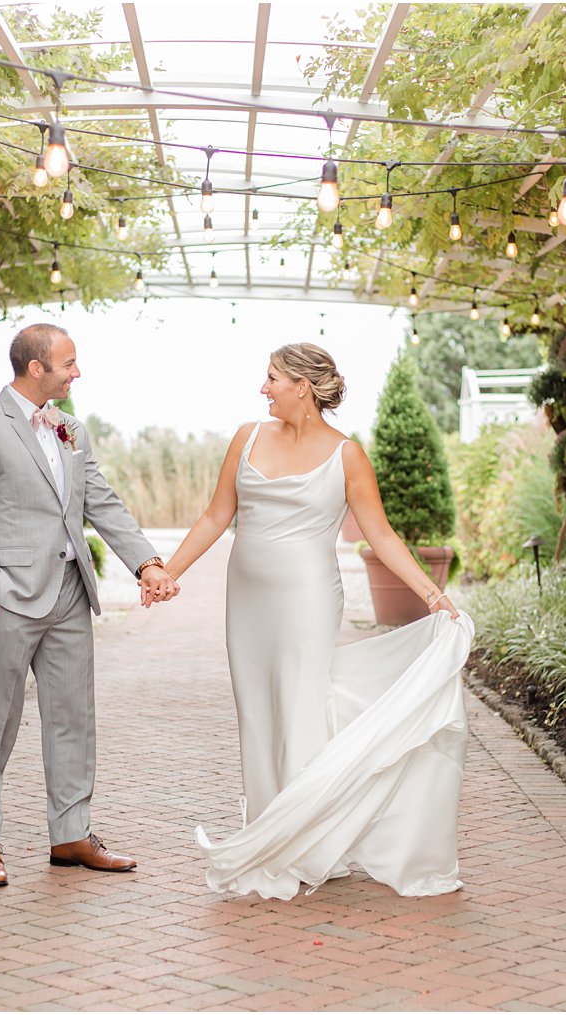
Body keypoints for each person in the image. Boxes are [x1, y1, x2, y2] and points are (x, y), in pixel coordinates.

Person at [163, 343, 473, 900]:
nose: (264, 388)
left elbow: (380, 534)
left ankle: (305, 842)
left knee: (301, 707)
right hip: (248, 596)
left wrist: (432, 595)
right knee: (255, 713)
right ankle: (267, 832)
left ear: (303, 386)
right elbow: (216, 515)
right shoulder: (246, 437)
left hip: (307, 598)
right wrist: (168, 572)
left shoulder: (347, 456)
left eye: (273, 378)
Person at [0, 323, 178, 888]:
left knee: (74, 717)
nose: (78, 373)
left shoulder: (72, 429)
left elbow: (100, 500)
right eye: (69, 363)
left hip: (71, 594)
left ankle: (71, 835)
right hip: (11, 601)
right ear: (36, 369)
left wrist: (146, 562)